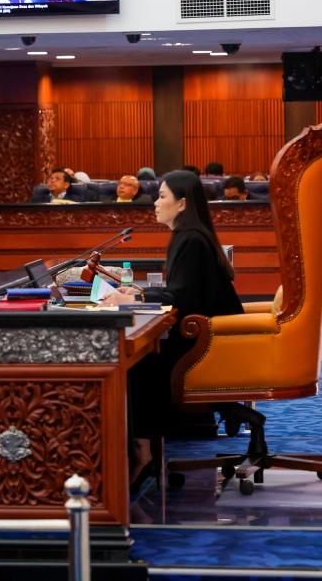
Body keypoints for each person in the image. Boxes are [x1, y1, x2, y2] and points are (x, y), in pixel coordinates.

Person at [101, 170, 242, 486]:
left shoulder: (190, 238)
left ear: (181, 204)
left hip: (207, 344)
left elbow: (182, 296)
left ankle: (143, 454)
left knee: (138, 361)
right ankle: (144, 451)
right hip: (205, 335)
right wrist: (139, 293)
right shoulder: (190, 234)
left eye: (162, 196)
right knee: (141, 354)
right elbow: (182, 292)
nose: (155, 203)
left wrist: (137, 294)